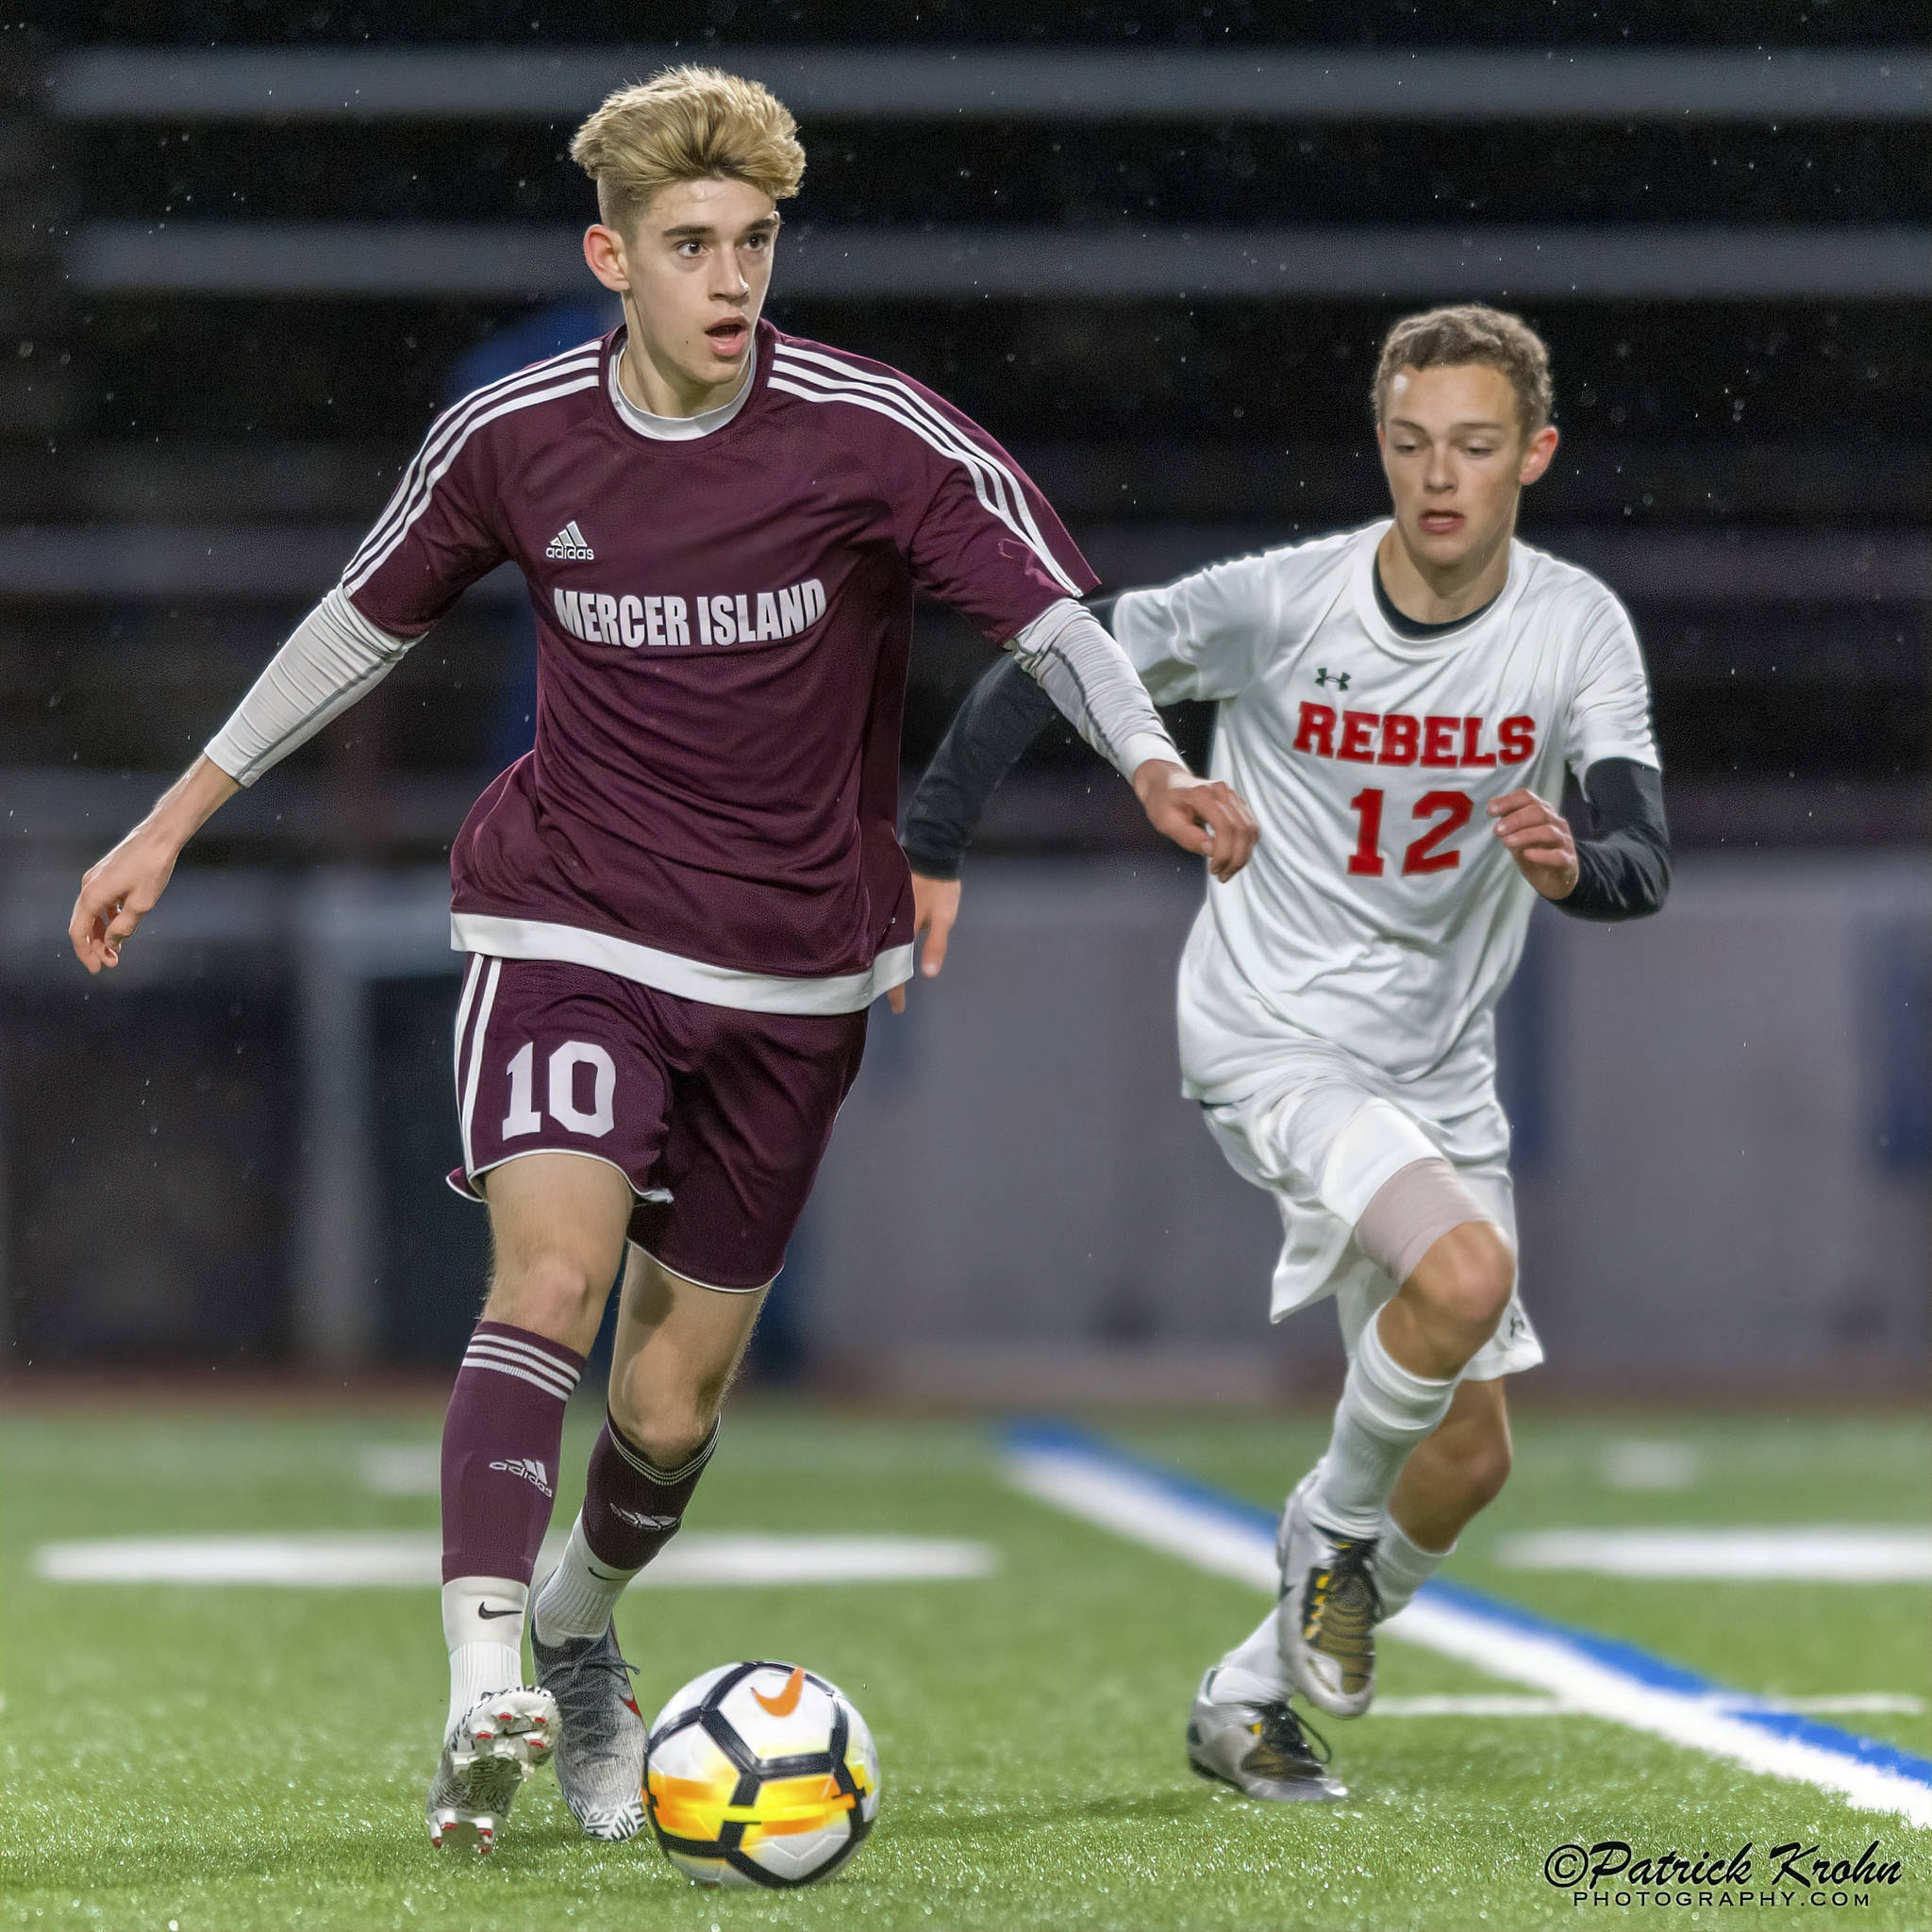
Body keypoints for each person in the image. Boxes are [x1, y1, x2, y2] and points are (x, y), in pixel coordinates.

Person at [67, 66, 1257, 1854]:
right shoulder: (515, 436)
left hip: (792, 972)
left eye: (756, 244)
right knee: (548, 1278)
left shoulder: (877, 436)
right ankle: (487, 1686)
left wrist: (1156, 763)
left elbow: (1051, 617)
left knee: (669, 1400)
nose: (732, 281)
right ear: (609, 256)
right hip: (566, 919)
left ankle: (575, 1629)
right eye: (692, 245)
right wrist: (174, 816)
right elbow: (359, 617)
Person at [902, 305, 1671, 1802]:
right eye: (1409, 444)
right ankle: (1328, 1526)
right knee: (1465, 1281)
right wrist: (931, 836)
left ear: (1536, 456)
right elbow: (1062, 648)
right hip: (1271, 1033)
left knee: (1471, 1463)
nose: (1438, 477)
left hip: (1438, 1072)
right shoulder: (1286, 601)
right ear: (1378, 448)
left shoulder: (1577, 626)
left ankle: (1247, 1693)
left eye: (1474, 446)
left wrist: (1576, 866)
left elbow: (1643, 855)